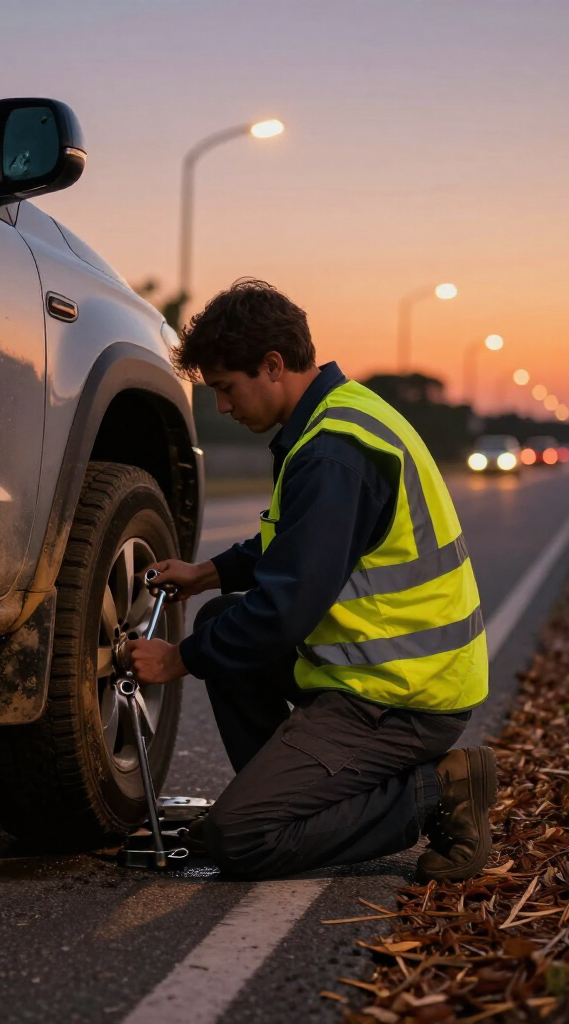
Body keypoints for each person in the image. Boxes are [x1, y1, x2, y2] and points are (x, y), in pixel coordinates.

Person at [126, 279, 494, 881]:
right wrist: (208, 574)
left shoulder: (334, 454)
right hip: (376, 678)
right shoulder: (335, 421)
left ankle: (440, 790)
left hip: (401, 699)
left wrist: (176, 660)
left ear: (272, 366)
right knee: (222, 621)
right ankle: (289, 799)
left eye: (225, 388)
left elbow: (282, 610)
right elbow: (291, 547)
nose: (221, 406)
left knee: (239, 838)